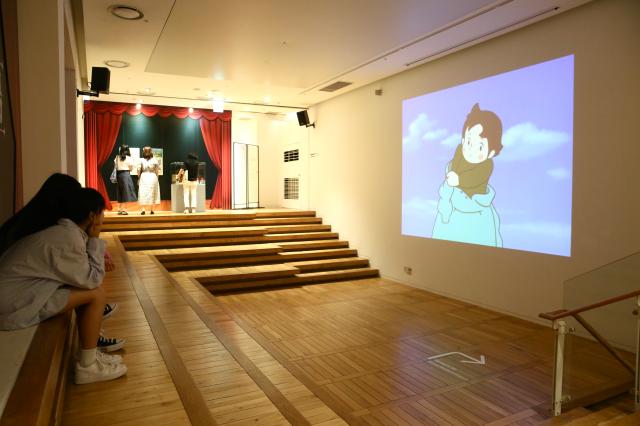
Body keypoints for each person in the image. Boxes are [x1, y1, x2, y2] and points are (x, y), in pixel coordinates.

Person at [0, 187, 127, 384]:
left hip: (15, 297)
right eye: (102, 212)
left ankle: (89, 352)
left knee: (89, 291)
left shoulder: (64, 232)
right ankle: (88, 367)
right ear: (93, 216)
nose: (104, 218)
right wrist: (95, 239)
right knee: (97, 294)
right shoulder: (68, 239)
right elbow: (92, 279)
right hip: (13, 306)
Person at [432, 103, 504, 247]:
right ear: (463, 140)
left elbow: (475, 178)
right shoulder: (459, 152)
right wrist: (451, 177)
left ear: (492, 152)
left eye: (480, 146)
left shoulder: (486, 166)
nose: (471, 150)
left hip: (474, 206)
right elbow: (454, 166)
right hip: (453, 205)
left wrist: (458, 180)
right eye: (469, 142)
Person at [114, 145, 137, 215]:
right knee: (126, 193)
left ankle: (119, 209)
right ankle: (124, 209)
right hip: (126, 175)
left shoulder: (117, 157)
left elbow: (115, 166)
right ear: (127, 150)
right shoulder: (129, 158)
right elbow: (131, 168)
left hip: (119, 175)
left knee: (120, 192)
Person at [137, 146, 161, 215]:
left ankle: (143, 210)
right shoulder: (154, 160)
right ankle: (152, 210)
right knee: (153, 192)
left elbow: (138, 170)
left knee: (143, 192)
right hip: (153, 176)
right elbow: (157, 171)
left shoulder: (141, 160)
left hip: (144, 176)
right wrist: (157, 178)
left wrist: (138, 177)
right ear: (151, 152)